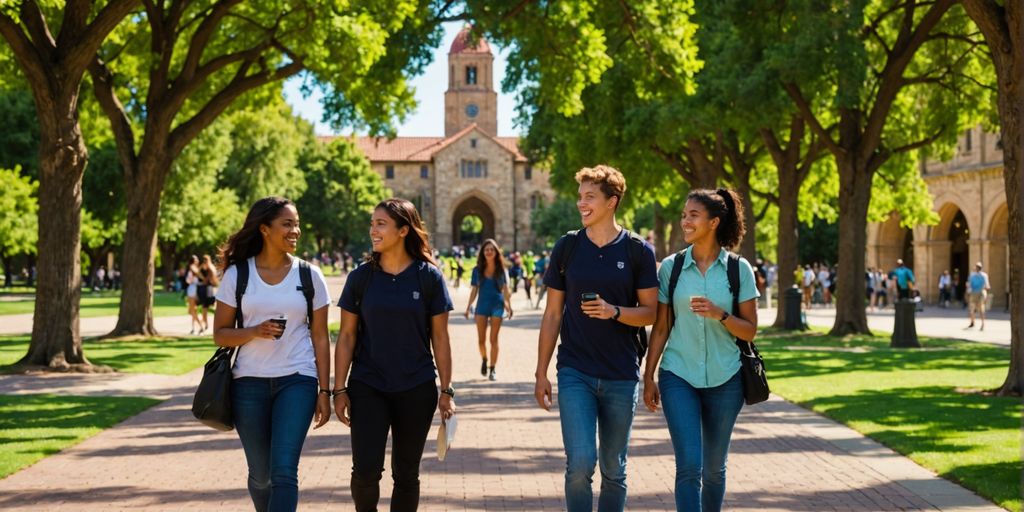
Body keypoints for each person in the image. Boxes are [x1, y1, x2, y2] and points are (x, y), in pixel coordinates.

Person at [534, 165, 658, 512]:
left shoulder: (638, 251)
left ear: (612, 202)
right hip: (575, 371)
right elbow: (553, 314)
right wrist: (541, 371)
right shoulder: (568, 247)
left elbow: (650, 313)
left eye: (590, 197)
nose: (581, 204)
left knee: (614, 470)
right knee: (580, 464)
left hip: (621, 373)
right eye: (580, 197)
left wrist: (614, 311)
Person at [333, 198, 455, 512]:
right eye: (372, 223)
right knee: (365, 471)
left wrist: (446, 390)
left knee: (406, 474)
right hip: (368, 384)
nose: (373, 230)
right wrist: (338, 388)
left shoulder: (429, 277)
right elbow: (346, 337)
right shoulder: (361, 278)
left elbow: (440, 338)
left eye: (380, 224)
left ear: (403, 230)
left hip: (417, 387)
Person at [211, 196, 333, 512]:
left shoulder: (310, 276)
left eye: (297, 224)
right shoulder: (238, 276)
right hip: (248, 384)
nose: (296, 230)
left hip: (298, 380)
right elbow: (220, 335)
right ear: (265, 229)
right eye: (287, 224)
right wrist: (254, 331)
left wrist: (325, 390)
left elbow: (320, 337)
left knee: (283, 472)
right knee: (262, 475)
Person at [643, 188, 759, 512]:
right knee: (690, 465)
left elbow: (749, 330)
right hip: (679, 374)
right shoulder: (671, 268)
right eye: (684, 215)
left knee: (714, 468)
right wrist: (649, 374)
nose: (685, 221)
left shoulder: (739, 270)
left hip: (727, 378)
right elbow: (662, 326)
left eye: (693, 215)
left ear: (713, 222)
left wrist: (720, 314)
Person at [465, 238, 513, 381]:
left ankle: (493, 369)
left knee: (493, 340)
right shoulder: (477, 270)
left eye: (492, 249)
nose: (489, 252)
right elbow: (474, 290)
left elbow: (505, 290)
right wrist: (468, 307)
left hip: (497, 306)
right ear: (483, 252)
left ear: (496, 252)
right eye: (487, 250)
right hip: (481, 306)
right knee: (481, 340)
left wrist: (509, 306)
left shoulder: (501, 270)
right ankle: (485, 359)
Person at [196, 254, 220, 334]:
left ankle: (210, 324)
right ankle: (205, 324)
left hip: (210, 289)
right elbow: (198, 272)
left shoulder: (210, 267)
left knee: (210, 307)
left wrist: (204, 279)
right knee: (205, 307)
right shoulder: (205, 267)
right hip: (206, 289)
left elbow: (212, 278)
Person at [967, 262, 991, 330]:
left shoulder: (980, 275)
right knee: (974, 308)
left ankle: (980, 323)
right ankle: (973, 322)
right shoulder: (980, 275)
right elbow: (987, 286)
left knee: (978, 309)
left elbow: (969, 286)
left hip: (979, 293)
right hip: (977, 293)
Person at [184, 255, 202, 334]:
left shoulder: (192, 269)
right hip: (194, 289)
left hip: (192, 290)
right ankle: (193, 328)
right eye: (196, 260)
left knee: (192, 310)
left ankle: (200, 327)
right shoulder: (195, 268)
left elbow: (188, 281)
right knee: (193, 310)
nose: (197, 261)